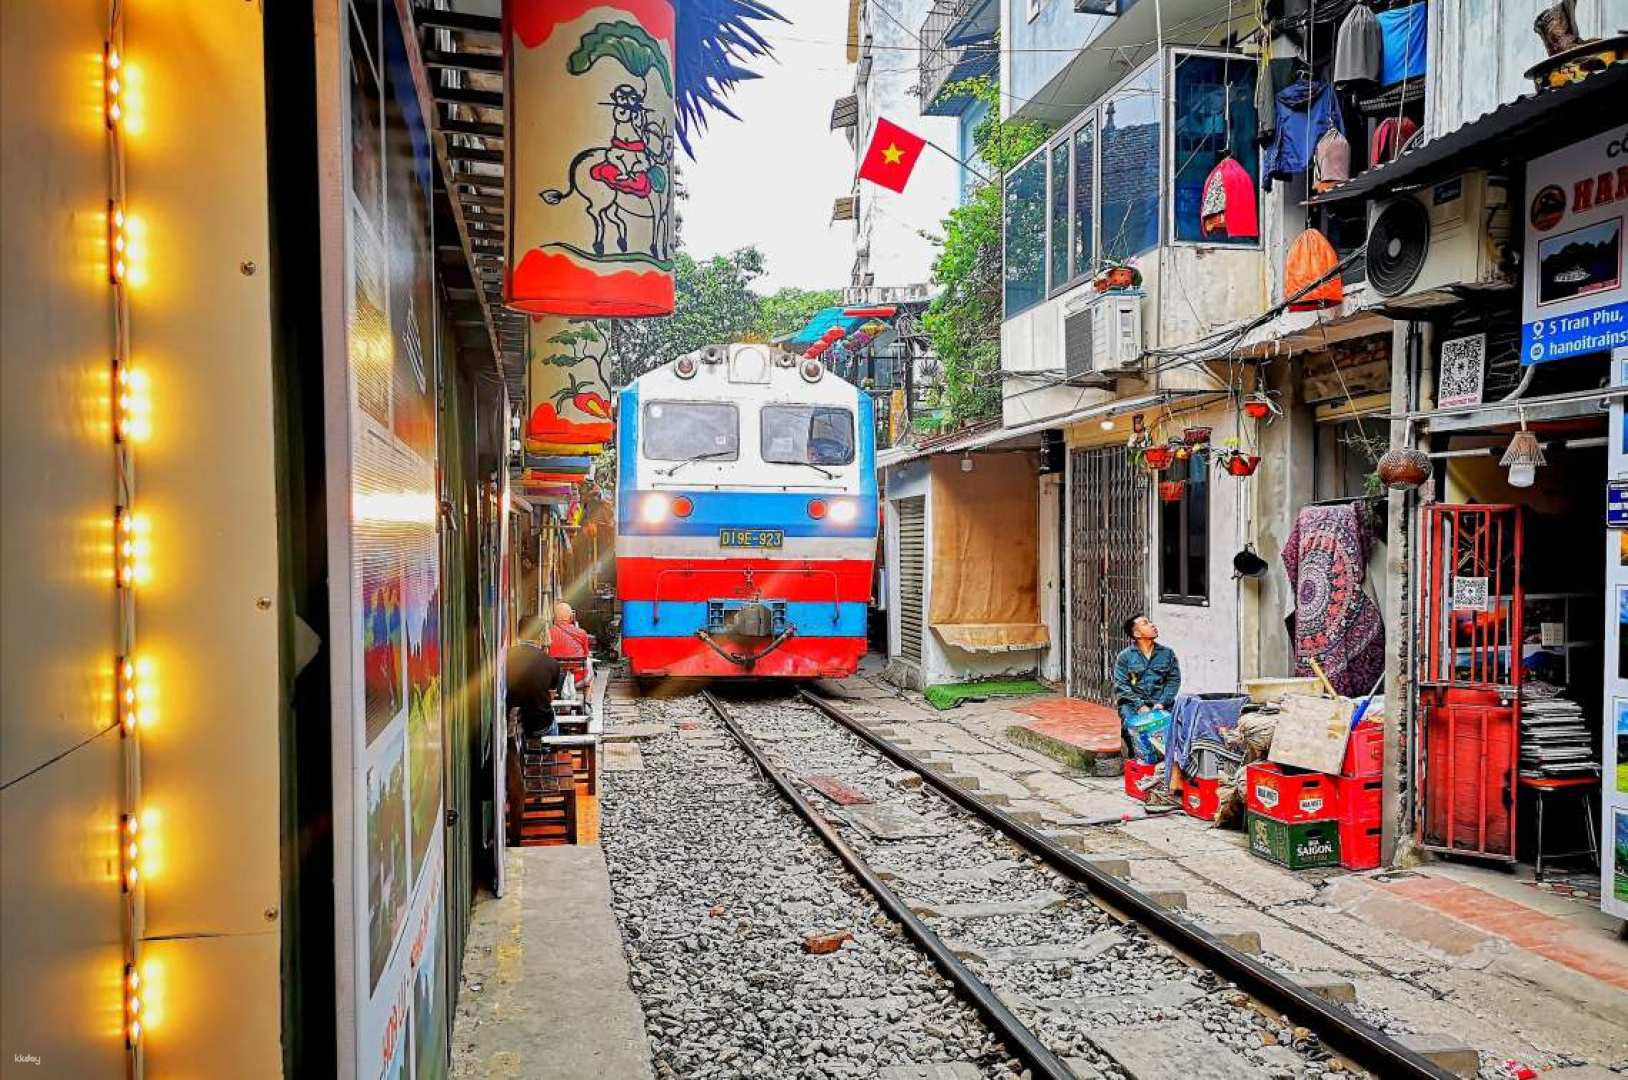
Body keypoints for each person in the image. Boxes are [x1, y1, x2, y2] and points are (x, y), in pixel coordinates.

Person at [1113, 613, 1182, 765]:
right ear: (1137, 634)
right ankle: (1135, 762)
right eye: (1146, 623)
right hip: (1132, 704)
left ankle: (1167, 763)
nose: (1152, 625)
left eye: (1151, 622)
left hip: (1161, 702)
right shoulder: (1125, 657)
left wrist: (1162, 702)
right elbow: (1121, 685)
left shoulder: (1167, 654)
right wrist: (1140, 706)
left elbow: (1173, 680)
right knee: (1132, 726)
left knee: (1175, 724)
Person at [506, 616, 565, 739]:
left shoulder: (505, 657)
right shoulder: (551, 663)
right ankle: (551, 754)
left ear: (518, 633)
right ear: (541, 635)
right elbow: (550, 698)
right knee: (552, 724)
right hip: (539, 724)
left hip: (509, 721)